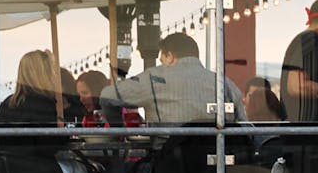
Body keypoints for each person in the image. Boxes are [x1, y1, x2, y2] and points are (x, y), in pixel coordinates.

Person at [100, 33, 243, 126]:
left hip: (169, 164)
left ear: (170, 56)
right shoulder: (225, 84)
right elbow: (244, 126)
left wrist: (118, 128)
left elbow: (108, 95)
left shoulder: (155, 78)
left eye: (162, 60)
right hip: (217, 167)